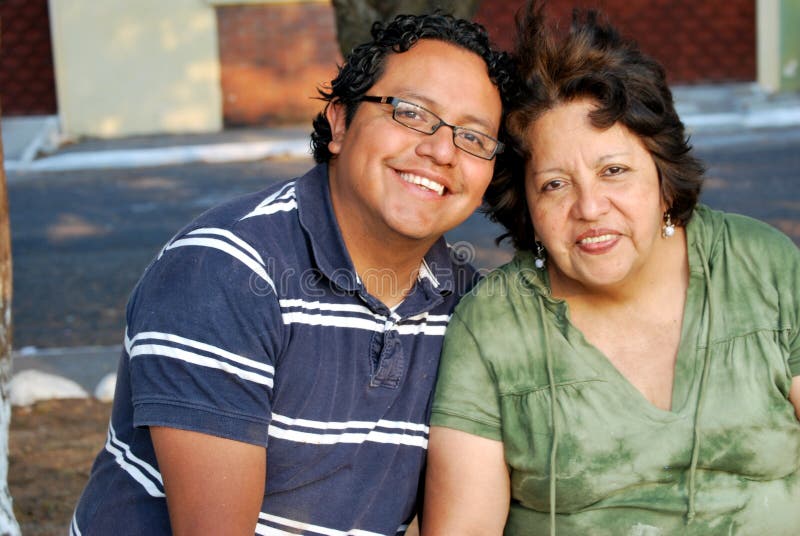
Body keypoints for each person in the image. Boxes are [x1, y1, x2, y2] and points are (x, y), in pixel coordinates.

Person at [71, 12, 516, 536]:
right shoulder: (223, 271)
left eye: (474, 137)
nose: (442, 151)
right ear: (340, 122)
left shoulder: (468, 305)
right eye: (412, 113)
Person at [422, 4, 800, 536]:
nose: (590, 207)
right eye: (555, 184)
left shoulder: (760, 265)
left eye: (614, 171)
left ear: (664, 176)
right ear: (526, 207)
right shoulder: (493, 326)